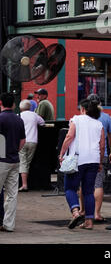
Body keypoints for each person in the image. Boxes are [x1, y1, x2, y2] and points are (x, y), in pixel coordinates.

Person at [59, 98, 105, 230]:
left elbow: (69, 137)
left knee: (70, 188)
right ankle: (89, 222)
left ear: (83, 109)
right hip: (93, 160)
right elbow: (102, 146)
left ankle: (75, 212)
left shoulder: (76, 120)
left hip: (78, 160)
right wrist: (100, 162)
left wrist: (62, 153)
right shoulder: (98, 124)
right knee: (88, 192)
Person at [84, 94, 111, 222]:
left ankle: (83, 211)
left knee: (84, 183)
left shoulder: (83, 117)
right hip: (99, 154)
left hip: (84, 154)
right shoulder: (106, 117)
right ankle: (96, 213)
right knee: (98, 184)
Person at [0, 93, 26, 232]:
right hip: (15, 160)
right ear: (14, 104)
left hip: (1, 160)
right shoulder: (18, 120)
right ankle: (9, 224)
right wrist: (14, 150)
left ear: (1, 103)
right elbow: (23, 141)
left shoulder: (0, 119)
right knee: (12, 194)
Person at [18, 99, 45, 192]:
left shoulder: (20, 116)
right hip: (33, 141)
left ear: (20, 107)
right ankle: (28, 182)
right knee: (27, 163)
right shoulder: (34, 115)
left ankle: (24, 185)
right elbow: (42, 122)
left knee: (23, 162)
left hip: (22, 141)